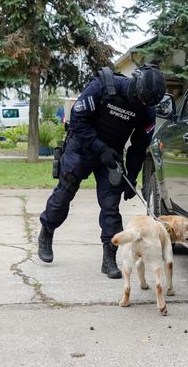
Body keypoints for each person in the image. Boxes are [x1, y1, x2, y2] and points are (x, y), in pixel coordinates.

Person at [38, 64, 167, 279]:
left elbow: (139, 146)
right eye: (141, 99)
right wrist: (100, 148)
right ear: (135, 86)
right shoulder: (103, 86)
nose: (142, 104)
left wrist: (131, 177)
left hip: (112, 156)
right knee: (64, 194)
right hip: (81, 148)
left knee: (110, 205)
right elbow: (78, 122)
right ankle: (47, 232)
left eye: (147, 103)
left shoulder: (147, 108)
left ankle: (109, 257)